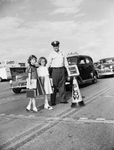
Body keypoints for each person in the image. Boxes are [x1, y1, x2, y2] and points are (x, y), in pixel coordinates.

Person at [47, 41, 68, 106]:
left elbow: (66, 63)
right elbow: (48, 63)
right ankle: (53, 101)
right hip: (54, 70)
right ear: (53, 47)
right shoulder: (51, 54)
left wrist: (69, 71)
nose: (56, 47)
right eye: (54, 46)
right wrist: (45, 71)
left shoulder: (62, 53)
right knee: (54, 86)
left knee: (62, 86)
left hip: (62, 69)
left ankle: (63, 100)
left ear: (58, 46)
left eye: (57, 46)